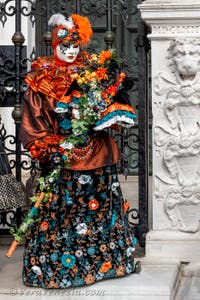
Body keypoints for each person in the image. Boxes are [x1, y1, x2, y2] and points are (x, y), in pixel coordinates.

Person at [19, 12, 137, 289]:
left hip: (96, 153)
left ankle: (105, 263)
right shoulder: (42, 77)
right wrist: (51, 146)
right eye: (64, 47)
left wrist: (102, 115)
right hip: (62, 155)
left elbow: (112, 103)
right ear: (54, 45)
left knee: (98, 210)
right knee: (61, 213)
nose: (71, 52)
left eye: (75, 47)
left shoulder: (94, 71)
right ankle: (59, 268)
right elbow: (33, 119)